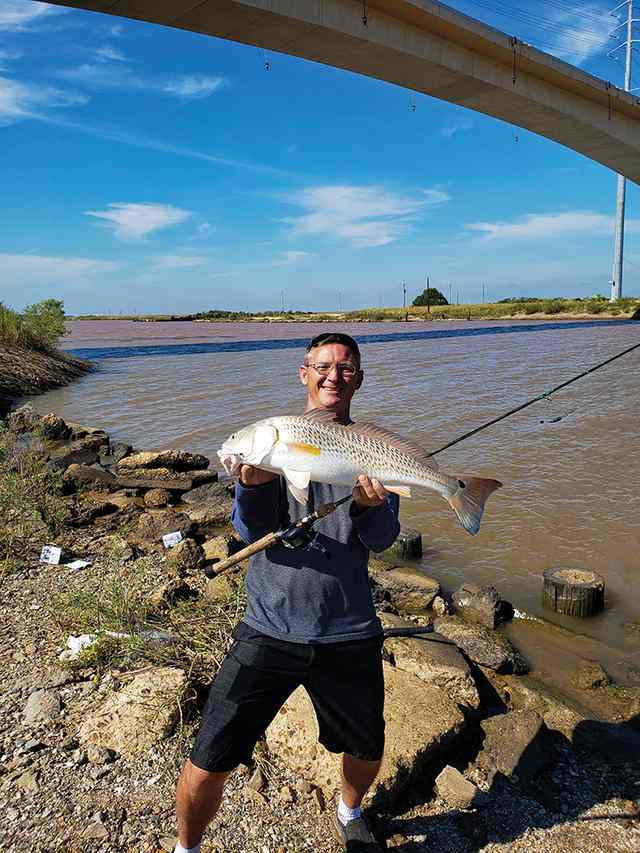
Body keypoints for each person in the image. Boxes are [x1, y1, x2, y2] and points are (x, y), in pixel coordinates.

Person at [175, 332, 400, 853]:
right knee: (209, 756)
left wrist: (369, 506)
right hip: (269, 626)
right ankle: (185, 847)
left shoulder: (370, 448)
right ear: (304, 373)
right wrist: (252, 485)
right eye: (323, 366)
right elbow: (251, 534)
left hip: (350, 628)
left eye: (345, 368)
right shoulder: (274, 439)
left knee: (367, 745)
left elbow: (383, 541)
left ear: (359, 379)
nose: (333, 376)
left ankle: (350, 811)